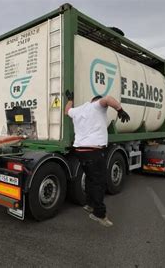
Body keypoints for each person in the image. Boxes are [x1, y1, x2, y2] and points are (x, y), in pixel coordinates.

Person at [65, 90, 130, 227]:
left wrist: (70, 99)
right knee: (99, 182)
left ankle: (89, 204)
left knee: (90, 178)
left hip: (80, 151)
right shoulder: (97, 106)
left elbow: (67, 110)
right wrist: (120, 110)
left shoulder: (78, 110)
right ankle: (98, 214)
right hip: (93, 151)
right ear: (97, 101)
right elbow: (108, 99)